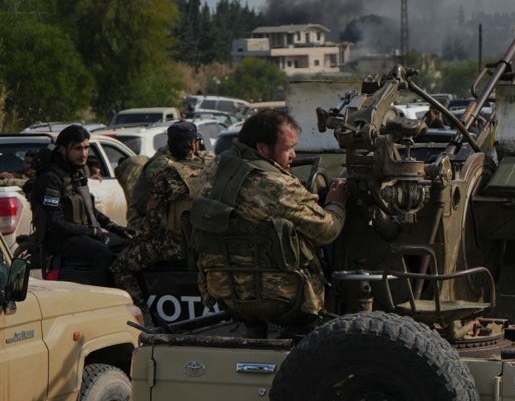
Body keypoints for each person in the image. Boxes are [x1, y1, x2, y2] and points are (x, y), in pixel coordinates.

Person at [193, 110, 347, 333]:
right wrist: (336, 203)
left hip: (225, 291)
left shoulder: (210, 173)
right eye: (287, 148)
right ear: (262, 148)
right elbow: (327, 230)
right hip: (282, 296)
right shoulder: (277, 186)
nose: (294, 154)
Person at [110, 121, 215, 310]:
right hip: (211, 244)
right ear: (194, 143)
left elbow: (153, 222)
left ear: (170, 144)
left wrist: (133, 235)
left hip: (177, 247)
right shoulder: (214, 167)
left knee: (120, 265)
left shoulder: (166, 176)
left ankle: (144, 316)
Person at [29, 125, 132, 285]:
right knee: (102, 254)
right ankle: (100, 297)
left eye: (86, 148)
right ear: (62, 150)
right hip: (59, 240)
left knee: (127, 245)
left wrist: (114, 227)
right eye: (78, 149)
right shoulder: (50, 179)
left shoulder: (77, 172)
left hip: (81, 234)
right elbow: (55, 224)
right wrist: (91, 231)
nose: (84, 154)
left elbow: (88, 208)